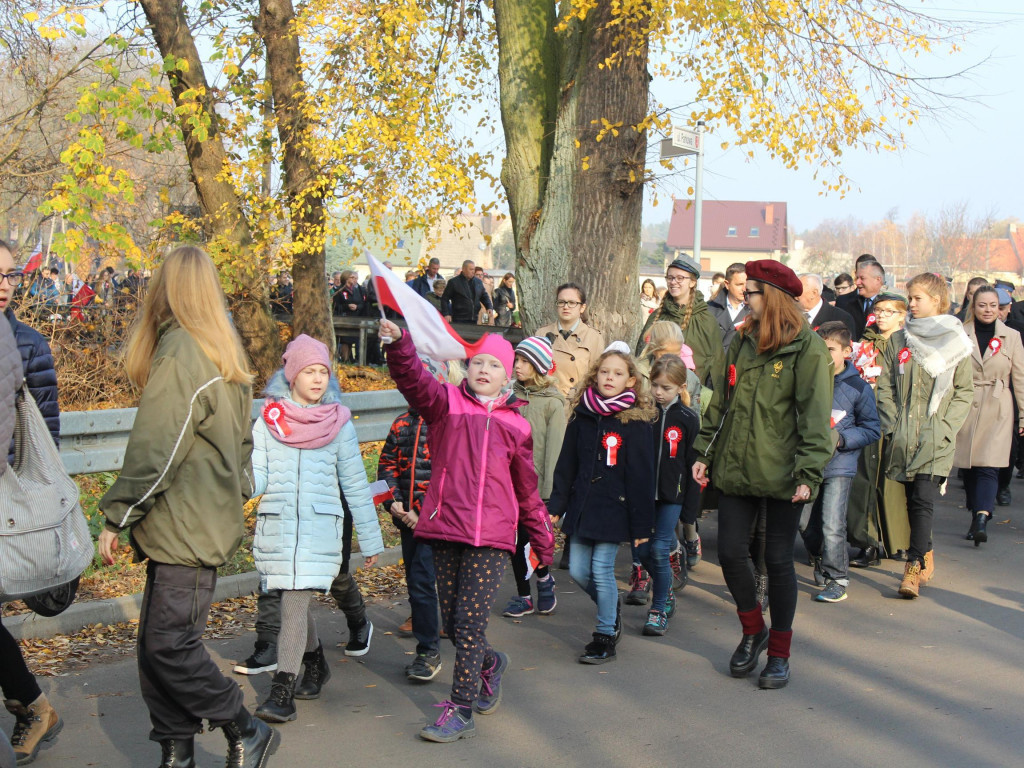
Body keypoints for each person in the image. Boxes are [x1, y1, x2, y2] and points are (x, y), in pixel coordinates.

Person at [97, 245, 277, 768]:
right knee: (158, 647)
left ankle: (244, 726)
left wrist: (117, 514)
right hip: (192, 521)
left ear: (166, 289)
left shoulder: (183, 352)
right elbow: (242, 449)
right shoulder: (220, 350)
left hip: (186, 524)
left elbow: (158, 449)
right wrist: (230, 495)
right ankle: (176, 751)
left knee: (168, 648)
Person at [379, 318, 553, 743]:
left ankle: (460, 709)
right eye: (478, 362)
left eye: (494, 365)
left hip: (492, 538)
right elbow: (413, 381)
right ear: (467, 367)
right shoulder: (445, 407)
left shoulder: (518, 425)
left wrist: (541, 537)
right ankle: (490, 664)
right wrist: (400, 345)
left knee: (469, 623)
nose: (484, 370)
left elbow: (526, 489)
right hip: (444, 529)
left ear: (507, 374)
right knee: (454, 625)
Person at [692, 259, 833, 689]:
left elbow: (815, 417)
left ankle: (779, 654)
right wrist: (704, 451)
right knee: (732, 553)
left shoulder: (808, 348)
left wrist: (809, 471)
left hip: (786, 473)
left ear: (770, 297)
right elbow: (720, 401)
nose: (743, 297)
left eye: (750, 291)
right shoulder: (740, 341)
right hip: (737, 466)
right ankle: (754, 630)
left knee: (777, 561)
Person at [247, 335, 383, 723]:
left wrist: (371, 539)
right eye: (309, 371)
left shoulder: (339, 423)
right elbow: (256, 478)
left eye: (323, 371)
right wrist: (231, 485)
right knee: (295, 599)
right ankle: (316, 663)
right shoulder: (270, 421)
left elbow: (356, 484)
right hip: (279, 527)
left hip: (320, 530)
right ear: (292, 375)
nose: (318, 378)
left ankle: (282, 689)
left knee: (293, 600)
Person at [548, 342, 655, 663]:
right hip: (583, 506)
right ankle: (611, 608)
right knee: (579, 571)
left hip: (615, 508)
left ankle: (604, 634)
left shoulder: (635, 423)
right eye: (604, 372)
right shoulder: (582, 416)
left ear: (631, 381)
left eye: (618, 373)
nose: (610, 377)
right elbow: (567, 465)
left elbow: (642, 477)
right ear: (595, 376)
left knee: (601, 569)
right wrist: (556, 505)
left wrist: (641, 524)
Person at [875, 273, 974, 599]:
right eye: (910, 298)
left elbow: (963, 391)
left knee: (922, 499)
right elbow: (886, 386)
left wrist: (945, 427)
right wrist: (892, 425)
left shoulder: (956, 341)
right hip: (903, 434)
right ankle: (926, 550)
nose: (911, 304)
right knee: (908, 501)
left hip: (935, 437)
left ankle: (913, 567)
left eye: (917, 298)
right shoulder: (900, 341)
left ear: (937, 300)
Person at [376, 358, 452, 683]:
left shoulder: (447, 424)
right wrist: (391, 503)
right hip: (405, 520)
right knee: (417, 581)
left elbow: (446, 473)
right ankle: (429, 637)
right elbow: (386, 465)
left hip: (435, 519)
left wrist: (420, 509)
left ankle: (429, 650)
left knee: (427, 580)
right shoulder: (400, 424)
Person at [799, 322, 880, 603]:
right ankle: (820, 556)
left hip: (839, 466)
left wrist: (842, 439)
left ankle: (837, 579)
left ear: (846, 351)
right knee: (804, 523)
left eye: (830, 349)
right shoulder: (808, 380)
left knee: (832, 523)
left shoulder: (858, 388)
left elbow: (871, 428)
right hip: (807, 465)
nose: (823, 354)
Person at [952, 286, 1024, 546]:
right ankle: (976, 512)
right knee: (969, 466)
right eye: (983, 305)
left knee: (988, 465)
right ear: (974, 306)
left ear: (1000, 308)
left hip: (998, 405)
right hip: (967, 402)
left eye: (993, 305)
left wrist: (1023, 417)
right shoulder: (961, 334)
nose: (988, 310)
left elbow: (1020, 378)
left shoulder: (1011, 337)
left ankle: (983, 516)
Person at [501, 337, 566, 618]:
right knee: (516, 541)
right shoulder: (508, 397)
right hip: (508, 484)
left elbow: (554, 452)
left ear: (539, 367)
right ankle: (524, 594)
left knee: (534, 540)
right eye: (517, 360)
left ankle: (543, 578)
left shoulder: (553, 405)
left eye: (525, 361)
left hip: (537, 488)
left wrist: (550, 495)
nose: (518, 366)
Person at [636, 355, 700, 636]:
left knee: (661, 549)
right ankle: (666, 590)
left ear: (681, 387)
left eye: (666, 388)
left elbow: (693, 466)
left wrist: (690, 512)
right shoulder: (642, 415)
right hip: (642, 495)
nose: (659, 393)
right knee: (641, 550)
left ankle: (658, 608)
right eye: (655, 385)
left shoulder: (688, 418)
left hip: (672, 496)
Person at [846, 292, 910, 566]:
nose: (882, 315)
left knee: (893, 483)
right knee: (864, 483)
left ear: (902, 316)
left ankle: (898, 541)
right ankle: (866, 542)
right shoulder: (864, 344)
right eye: (879, 310)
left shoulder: (909, 345)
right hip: (867, 419)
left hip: (896, 420)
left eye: (889, 311)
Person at [637, 255, 724, 389]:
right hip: (657, 394)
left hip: (694, 396)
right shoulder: (657, 316)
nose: (673, 282)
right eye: (670, 277)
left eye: (680, 278)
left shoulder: (707, 320)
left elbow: (717, 367)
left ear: (692, 282)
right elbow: (642, 357)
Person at [537, 283, 606, 405]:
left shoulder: (594, 337)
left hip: (578, 406)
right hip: (547, 403)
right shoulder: (542, 334)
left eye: (572, 303)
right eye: (561, 302)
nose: (566, 307)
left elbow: (597, 377)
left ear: (582, 307)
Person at [835, 259, 886, 337]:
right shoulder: (844, 302)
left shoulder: (892, 303)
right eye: (857, 278)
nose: (857, 282)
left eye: (862, 278)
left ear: (877, 280)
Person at [708, 263, 750, 351]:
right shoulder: (709, 309)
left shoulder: (755, 312)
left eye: (746, 284)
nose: (744, 289)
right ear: (727, 284)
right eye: (739, 284)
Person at [442, 260, 493, 325]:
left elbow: (484, 296)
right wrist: (446, 314)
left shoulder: (478, 282)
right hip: (459, 318)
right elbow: (444, 299)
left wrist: (489, 307)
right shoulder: (453, 282)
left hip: (474, 318)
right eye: (471, 269)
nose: (473, 272)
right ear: (463, 269)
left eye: (473, 269)